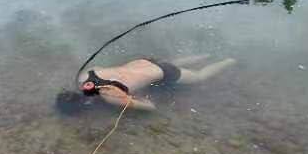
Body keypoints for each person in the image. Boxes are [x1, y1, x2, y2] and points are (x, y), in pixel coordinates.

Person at [57, 55, 235, 114]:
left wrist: (138, 98)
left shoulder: (111, 98)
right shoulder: (84, 75)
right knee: (171, 61)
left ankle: (229, 61)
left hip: (164, 72)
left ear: (85, 104)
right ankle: (206, 54)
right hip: (145, 60)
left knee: (199, 76)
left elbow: (151, 107)